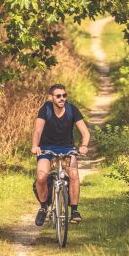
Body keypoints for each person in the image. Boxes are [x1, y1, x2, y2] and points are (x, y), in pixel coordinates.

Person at [31, 83, 90, 226]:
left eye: (64, 95)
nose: (62, 98)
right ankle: (43, 207)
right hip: (46, 148)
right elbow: (38, 130)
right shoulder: (46, 109)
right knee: (41, 176)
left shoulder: (71, 109)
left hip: (67, 148)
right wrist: (35, 146)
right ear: (51, 97)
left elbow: (85, 132)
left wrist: (84, 145)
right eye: (58, 96)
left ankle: (74, 210)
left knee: (74, 174)